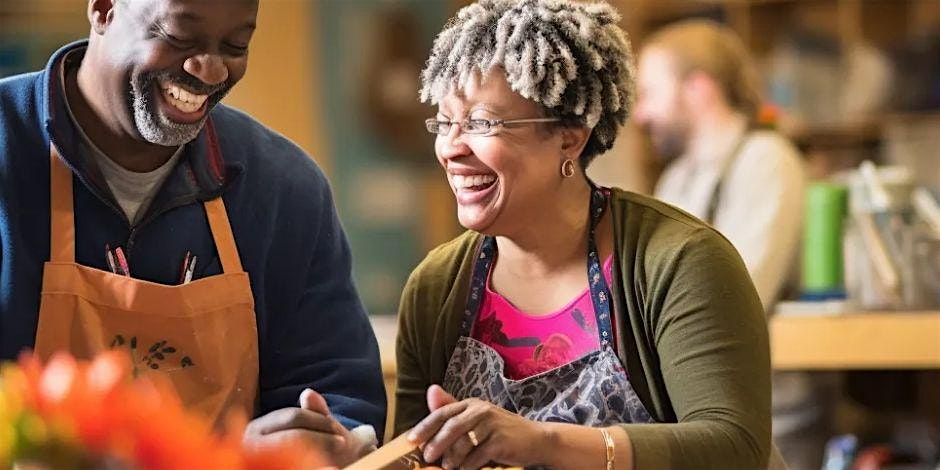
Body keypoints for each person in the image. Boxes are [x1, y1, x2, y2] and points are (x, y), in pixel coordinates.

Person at [393, 1, 777, 468]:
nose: (452, 148)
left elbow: (735, 448)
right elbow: (414, 458)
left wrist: (544, 443)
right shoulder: (434, 289)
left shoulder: (681, 262)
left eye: (480, 123)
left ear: (570, 137)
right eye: (446, 122)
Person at [0, 0, 384, 465]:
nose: (209, 69)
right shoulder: (8, 147)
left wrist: (316, 442)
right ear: (103, 10)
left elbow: (338, 396)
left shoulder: (284, 188)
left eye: (235, 45)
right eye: (179, 37)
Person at [632, 20, 828, 470]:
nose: (641, 115)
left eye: (650, 93)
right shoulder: (677, 177)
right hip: (689, 406)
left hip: (766, 416)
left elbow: (739, 296)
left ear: (699, 89)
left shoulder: (767, 160)